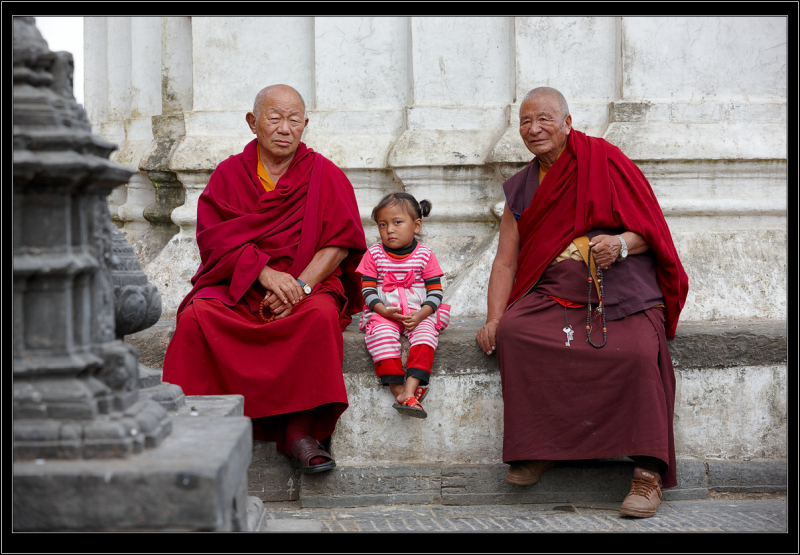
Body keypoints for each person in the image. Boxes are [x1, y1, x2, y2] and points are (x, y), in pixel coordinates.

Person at [476, 87, 688, 518]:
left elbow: (651, 231)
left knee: (636, 353)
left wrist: (621, 244)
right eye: (525, 122)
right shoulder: (521, 187)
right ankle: (543, 447)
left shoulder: (605, 161)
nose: (534, 129)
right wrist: (494, 318)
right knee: (516, 334)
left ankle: (647, 474)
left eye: (544, 120)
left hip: (617, 290)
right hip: (554, 290)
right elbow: (505, 260)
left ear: (568, 123)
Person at [162, 84, 367, 473]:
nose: (284, 128)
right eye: (274, 118)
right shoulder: (228, 175)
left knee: (320, 317)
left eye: (293, 120)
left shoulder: (325, 175)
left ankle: (300, 432)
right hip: (240, 284)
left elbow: (338, 246)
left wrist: (299, 288)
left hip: (309, 283)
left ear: (305, 125)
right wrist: (266, 274)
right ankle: (194, 425)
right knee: (196, 318)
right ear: (253, 122)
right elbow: (214, 240)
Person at [355, 193, 450, 419]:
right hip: (384, 313)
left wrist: (421, 315)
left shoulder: (425, 256)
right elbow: (367, 290)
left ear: (416, 225)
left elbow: (436, 293)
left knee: (426, 336)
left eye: (397, 222)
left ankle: (410, 388)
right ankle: (399, 390)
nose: (389, 230)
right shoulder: (374, 254)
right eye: (382, 224)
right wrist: (383, 311)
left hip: (418, 313)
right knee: (381, 336)